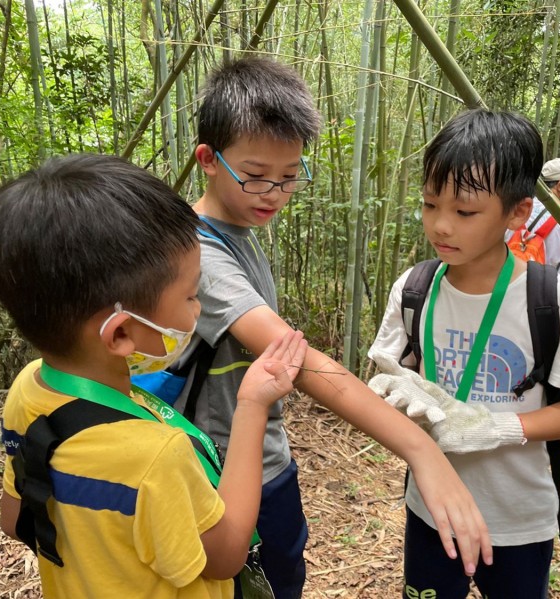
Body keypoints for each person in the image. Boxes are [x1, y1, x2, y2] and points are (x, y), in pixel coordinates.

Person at [183, 56, 491, 598]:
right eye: (255, 176)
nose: (274, 193)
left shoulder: (238, 232)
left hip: (264, 461)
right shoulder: (198, 257)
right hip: (220, 477)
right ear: (208, 159)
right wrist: (420, 451)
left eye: (288, 176)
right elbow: (297, 362)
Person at [0, 154, 308, 598]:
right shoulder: (155, 457)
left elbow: (15, 520)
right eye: (191, 296)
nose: (198, 310)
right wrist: (251, 406)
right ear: (121, 332)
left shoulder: (30, 387)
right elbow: (226, 554)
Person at [369, 109, 560, 598]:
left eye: (464, 212)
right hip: (430, 511)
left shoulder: (555, 300)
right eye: (429, 205)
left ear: (517, 213)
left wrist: (498, 426)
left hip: (519, 519)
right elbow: (389, 382)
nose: (440, 226)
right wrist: (395, 395)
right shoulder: (414, 289)